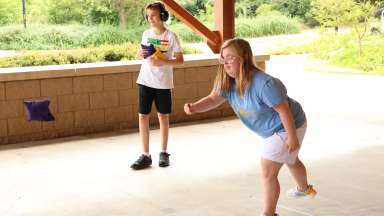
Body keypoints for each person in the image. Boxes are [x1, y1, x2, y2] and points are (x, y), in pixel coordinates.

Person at [184, 38, 316, 216]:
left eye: (231, 57)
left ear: (244, 57)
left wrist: (292, 137)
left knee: (268, 170)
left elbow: (284, 111)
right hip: (270, 128)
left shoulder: (264, 83)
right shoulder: (227, 80)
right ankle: (305, 188)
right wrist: (194, 107)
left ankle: (269, 213)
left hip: (289, 124)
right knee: (289, 159)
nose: (225, 62)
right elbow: (213, 99)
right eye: (223, 57)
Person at [131, 2, 184, 170]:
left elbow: (180, 60)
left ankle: (163, 152)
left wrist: (164, 60)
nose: (150, 19)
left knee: (163, 116)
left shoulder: (171, 36)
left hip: (163, 83)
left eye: (153, 15)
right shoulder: (146, 34)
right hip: (145, 81)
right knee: (143, 116)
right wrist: (140, 53)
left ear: (162, 16)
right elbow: (142, 54)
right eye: (148, 16)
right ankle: (145, 155)